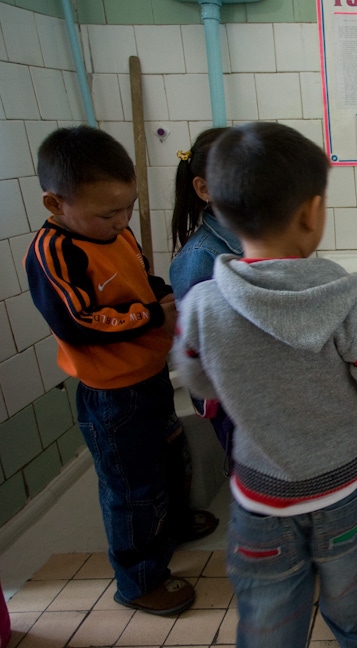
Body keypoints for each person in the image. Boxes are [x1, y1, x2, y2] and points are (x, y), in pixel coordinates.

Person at [171, 122, 357, 647]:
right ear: (312, 214)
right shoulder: (348, 302)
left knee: (270, 608)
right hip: (341, 489)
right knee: (351, 583)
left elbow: (200, 383)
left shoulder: (203, 306)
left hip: (260, 495)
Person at [24, 126, 215, 616]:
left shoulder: (114, 231)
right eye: (107, 213)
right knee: (132, 490)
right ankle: (139, 581)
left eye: (127, 208)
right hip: (112, 396)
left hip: (149, 377)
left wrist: (158, 294)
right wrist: (152, 314)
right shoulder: (54, 252)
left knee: (171, 462)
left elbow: (135, 276)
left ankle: (171, 525)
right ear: (55, 204)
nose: (121, 221)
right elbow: (78, 321)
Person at [168, 127, 239, 455]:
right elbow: (203, 349)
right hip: (233, 398)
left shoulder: (260, 239)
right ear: (204, 188)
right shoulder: (200, 259)